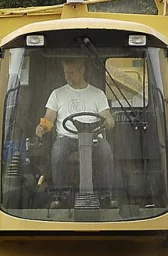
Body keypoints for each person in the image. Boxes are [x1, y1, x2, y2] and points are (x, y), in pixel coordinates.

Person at [36, 56, 116, 203]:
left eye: (71, 73)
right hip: (67, 138)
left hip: (94, 138)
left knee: (105, 150)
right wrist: (42, 127)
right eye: (66, 73)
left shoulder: (98, 94)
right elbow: (48, 118)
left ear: (82, 71)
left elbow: (107, 117)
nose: (68, 76)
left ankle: (106, 195)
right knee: (58, 151)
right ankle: (61, 195)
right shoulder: (57, 94)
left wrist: (109, 122)